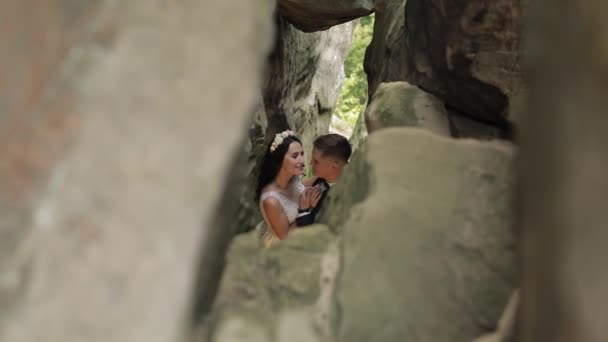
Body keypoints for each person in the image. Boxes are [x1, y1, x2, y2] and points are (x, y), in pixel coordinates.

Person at [255, 130, 321, 247]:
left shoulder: (293, 178)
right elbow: (285, 238)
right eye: (295, 156)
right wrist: (306, 209)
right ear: (279, 160)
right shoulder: (271, 200)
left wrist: (325, 177)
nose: (302, 160)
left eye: (302, 154)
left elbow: (302, 186)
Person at [296, 133, 352, 226]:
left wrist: (304, 210)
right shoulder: (324, 177)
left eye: (316, 161)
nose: (310, 163)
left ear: (334, 166)